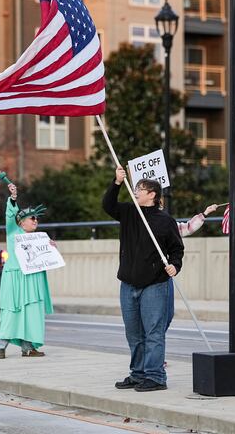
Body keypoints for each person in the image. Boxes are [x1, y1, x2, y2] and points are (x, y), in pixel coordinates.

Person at [103, 166, 184, 392]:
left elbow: (177, 250)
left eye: (142, 189)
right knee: (133, 333)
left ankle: (156, 377)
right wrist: (117, 182)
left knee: (154, 332)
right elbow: (107, 205)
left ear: (153, 195)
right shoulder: (129, 212)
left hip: (155, 285)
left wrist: (175, 266)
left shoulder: (165, 221)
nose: (136, 191)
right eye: (136, 188)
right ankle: (137, 374)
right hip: (128, 283)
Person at [0, 183, 54, 359]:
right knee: (11, 310)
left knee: (32, 311)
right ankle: (1, 347)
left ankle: (28, 348)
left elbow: (45, 256)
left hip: (32, 278)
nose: (35, 221)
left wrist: (50, 247)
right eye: (32, 218)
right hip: (15, 278)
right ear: (21, 222)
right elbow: (10, 215)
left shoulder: (39, 237)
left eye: (37, 219)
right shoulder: (14, 232)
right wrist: (13, 198)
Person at [165, 203, 219, 332]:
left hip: (164, 274)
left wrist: (205, 213)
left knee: (167, 314)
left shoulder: (167, 224)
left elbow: (187, 227)